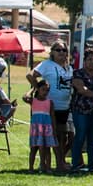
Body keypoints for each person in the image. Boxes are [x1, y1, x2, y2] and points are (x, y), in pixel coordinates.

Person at [30, 41, 74, 172]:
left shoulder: (69, 68)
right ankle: (54, 163)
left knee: (69, 135)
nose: (61, 53)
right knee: (55, 136)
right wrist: (39, 90)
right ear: (52, 52)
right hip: (50, 106)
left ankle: (60, 161)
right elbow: (30, 75)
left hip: (66, 106)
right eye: (58, 50)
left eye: (64, 50)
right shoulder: (46, 65)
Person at [25, 79, 56, 173]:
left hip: (46, 128)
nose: (45, 92)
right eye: (43, 89)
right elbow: (25, 97)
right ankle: (31, 167)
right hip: (36, 129)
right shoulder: (33, 101)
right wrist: (32, 89)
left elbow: (52, 116)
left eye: (47, 90)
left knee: (47, 149)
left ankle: (47, 167)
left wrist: (54, 129)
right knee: (34, 149)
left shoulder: (50, 102)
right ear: (38, 89)